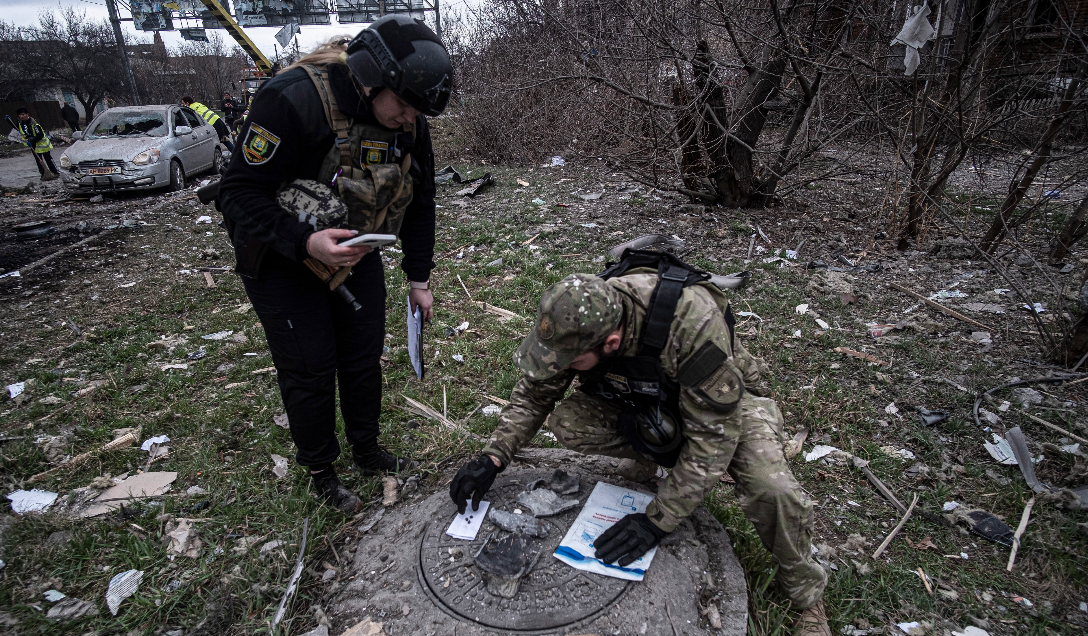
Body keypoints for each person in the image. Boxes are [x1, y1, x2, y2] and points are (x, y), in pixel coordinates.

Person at [449, 255, 832, 636]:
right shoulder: (578, 317)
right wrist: (494, 456)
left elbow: (713, 439)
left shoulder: (691, 322)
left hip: (721, 406)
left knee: (773, 488)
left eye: (573, 362)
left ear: (611, 342)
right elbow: (535, 395)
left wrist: (658, 521)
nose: (563, 367)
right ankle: (652, 457)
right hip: (643, 395)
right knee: (570, 423)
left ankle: (806, 596)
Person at [216, 15, 452, 512]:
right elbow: (238, 193)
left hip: (353, 251)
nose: (411, 118)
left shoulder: (406, 119)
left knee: (363, 357)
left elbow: (422, 198)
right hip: (282, 258)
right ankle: (322, 469)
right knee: (310, 367)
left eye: (418, 112)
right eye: (406, 106)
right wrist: (305, 241)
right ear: (371, 80)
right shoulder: (290, 99)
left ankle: (366, 449)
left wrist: (419, 278)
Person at [14, 108, 58, 178]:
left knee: (48, 159)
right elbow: (16, 128)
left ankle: (55, 172)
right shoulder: (20, 123)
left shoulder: (34, 123)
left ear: (27, 114)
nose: (21, 116)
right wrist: (8, 121)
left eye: (23, 114)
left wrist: (31, 141)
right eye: (20, 115)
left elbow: (40, 135)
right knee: (38, 160)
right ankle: (44, 174)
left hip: (42, 144)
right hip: (32, 144)